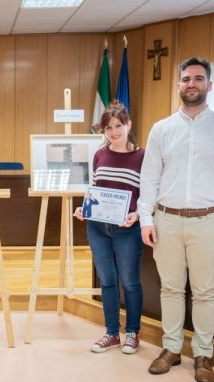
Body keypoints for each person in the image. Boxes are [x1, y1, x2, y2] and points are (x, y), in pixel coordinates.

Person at [139, 57, 214, 382]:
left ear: (209, 85)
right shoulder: (162, 129)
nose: (191, 84)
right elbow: (149, 178)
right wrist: (145, 218)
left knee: (204, 291)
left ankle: (202, 355)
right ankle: (171, 349)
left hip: (208, 222)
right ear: (179, 85)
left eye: (198, 78)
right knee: (169, 288)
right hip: (166, 219)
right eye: (186, 79)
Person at [74, 101, 144, 354]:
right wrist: (84, 207)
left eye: (118, 126)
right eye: (108, 127)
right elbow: (95, 189)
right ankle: (112, 333)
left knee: (131, 282)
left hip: (127, 230)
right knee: (107, 281)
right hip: (97, 228)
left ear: (128, 125)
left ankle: (133, 333)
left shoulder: (142, 156)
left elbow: (147, 195)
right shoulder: (99, 154)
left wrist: (137, 214)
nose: (114, 132)